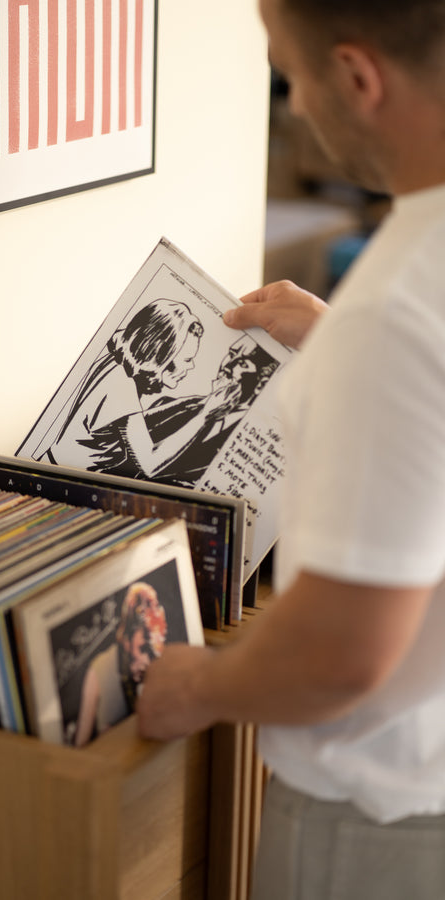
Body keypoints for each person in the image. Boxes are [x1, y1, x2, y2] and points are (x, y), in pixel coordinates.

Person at [137, 0, 445, 897]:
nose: (297, 107)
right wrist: (348, 344)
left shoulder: (393, 313)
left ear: (357, 77)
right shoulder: (390, 317)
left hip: (382, 822)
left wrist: (198, 684)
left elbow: (339, 658)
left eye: (293, 76)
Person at [37, 297, 230, 479]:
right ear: (160, 355)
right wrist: (206, 414)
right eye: (187, 359)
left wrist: (196, 403)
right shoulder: (121, 388)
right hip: (58, 478)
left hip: (53, 469)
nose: (191, 366)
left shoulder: (118, 364)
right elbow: (150, 464)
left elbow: (138, 420)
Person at [141, 333, 280, 486]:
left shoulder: (254, 449)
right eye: (232, 354)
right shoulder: (166, 405)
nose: (227, 366)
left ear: (262, 383)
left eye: (242, 363)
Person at [74, 581, 167, 746]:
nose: (147, 660)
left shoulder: (157, 663)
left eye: (152, 651)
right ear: (126, 639)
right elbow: (81, 744)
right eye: (143, 648)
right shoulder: (99, 670)